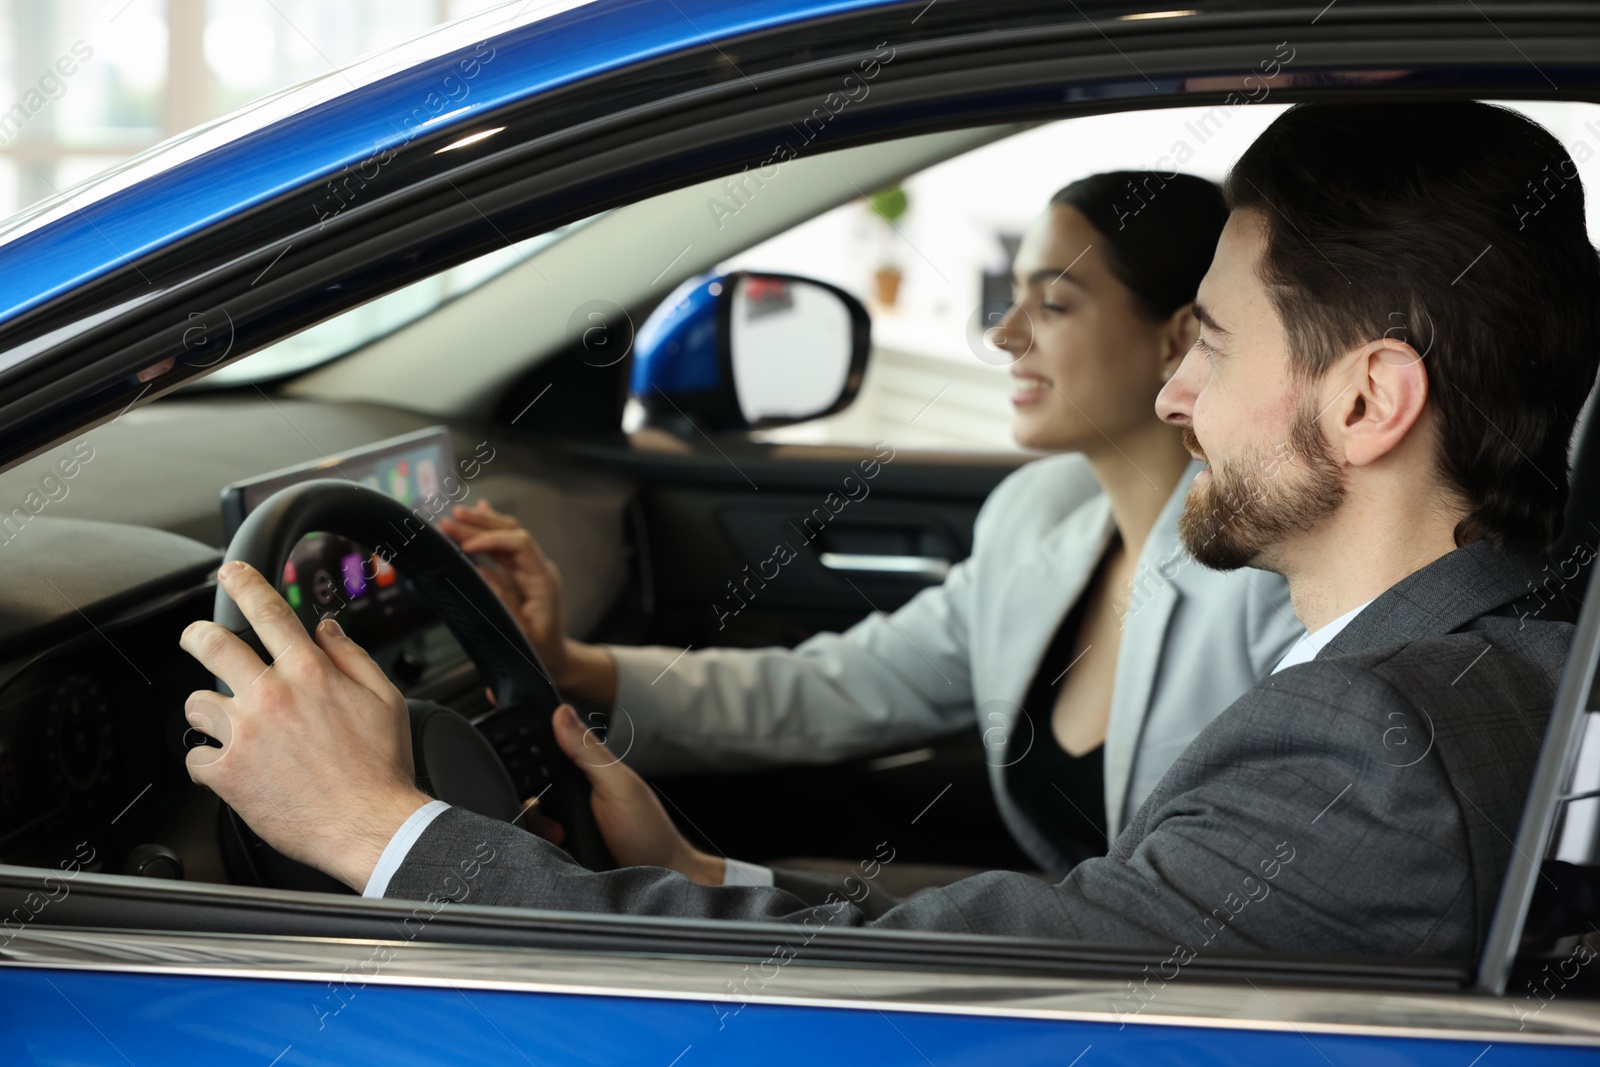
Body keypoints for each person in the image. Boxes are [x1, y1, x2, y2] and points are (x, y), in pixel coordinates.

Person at [180, 99, 1600, 958]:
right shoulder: (1478, 658)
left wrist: (381, 828)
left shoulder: (1375, 753)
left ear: (1370, 403)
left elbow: (981, 1004)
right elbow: (1061, 937)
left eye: (1210, 347)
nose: (1175, 391)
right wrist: (693, 876)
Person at [431, 171, 1302, 906]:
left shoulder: (1274, 575)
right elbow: (836, 687)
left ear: (1178, 339)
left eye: (1057, 302)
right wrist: (574, 663)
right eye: (1014, 296)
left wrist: (703, 876)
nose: (1006, 334)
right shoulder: (1039, 513)